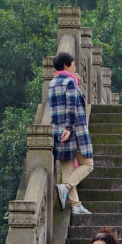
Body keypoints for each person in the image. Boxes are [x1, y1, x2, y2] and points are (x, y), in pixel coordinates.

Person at [49, 51, 94, 215]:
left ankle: (75, 204)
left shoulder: (52, 83)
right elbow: (72, 106)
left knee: (67, 170)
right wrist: (69, 127)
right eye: (73, 64)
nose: (75, 67)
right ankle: (66, 187)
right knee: (88, 164)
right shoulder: (69, 82)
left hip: (57, 132)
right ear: (67, 65)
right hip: (73, 131)